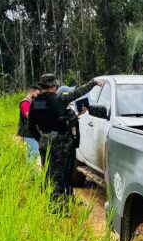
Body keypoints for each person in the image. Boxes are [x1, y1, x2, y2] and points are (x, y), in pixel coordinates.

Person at [29, 73, 104, 203]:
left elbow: (30, 127)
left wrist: (42, 138)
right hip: (57, 143)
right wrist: (93, 83)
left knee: (47, 173)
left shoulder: (35, 102)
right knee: (58, 176)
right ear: (52, 86)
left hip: (44, 141)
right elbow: (77, 93)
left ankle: (48, 202)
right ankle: (56, 209)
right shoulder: (57, 99)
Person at [18, 84, 41, 162]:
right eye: (37, 94)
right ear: (32, 91)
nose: (37, 96)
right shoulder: (25, 103)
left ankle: (30, 172)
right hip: (29, 133)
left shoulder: (31, 103)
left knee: (32, 153)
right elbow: (30, 117)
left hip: (32, 133)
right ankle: (32, 173)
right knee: (33, 153)